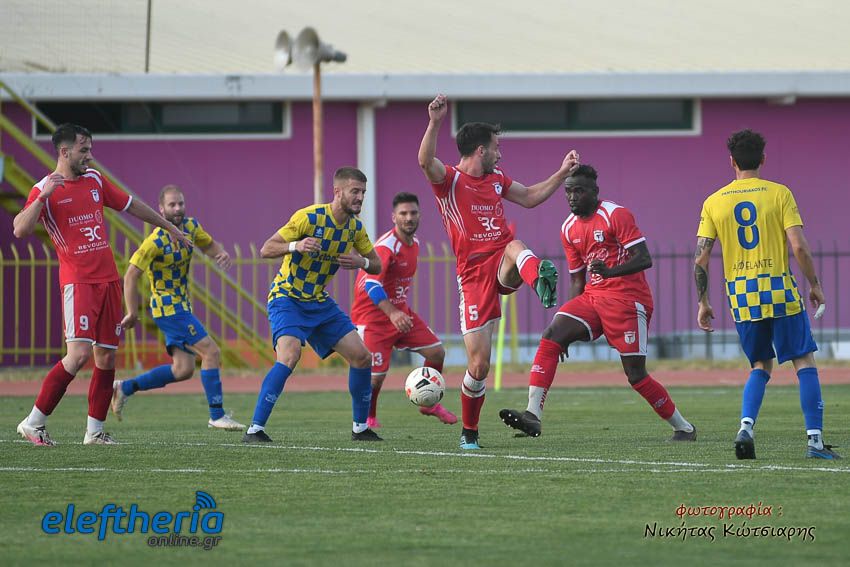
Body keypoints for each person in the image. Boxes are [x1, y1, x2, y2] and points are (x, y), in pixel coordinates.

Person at [418, 93, 579, 450]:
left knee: (514, 244)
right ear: (480, 150)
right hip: (473, 276)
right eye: (496, 148)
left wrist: (561, 173)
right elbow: (425, 161)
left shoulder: (497, 179)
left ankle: (539, 280)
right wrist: (435, 122)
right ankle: (469, 432)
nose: (500, 154)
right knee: (479, 366)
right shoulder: (450, 180)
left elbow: (530, 196)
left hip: (503, 259)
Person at [13, 123, 189, 446]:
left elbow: (131, 204)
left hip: (109, 282)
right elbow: (20, 229)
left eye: (90, 150)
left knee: (106, 358)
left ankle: (94, 432)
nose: (90, 157)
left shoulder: (94, 180)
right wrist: (43, 199)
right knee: (78, 355)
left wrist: (169, 227)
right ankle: (33, 422)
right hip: (78, 284)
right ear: (64, 152)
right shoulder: (43, 189)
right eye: (84, 150)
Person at [500, 165, 697, 442]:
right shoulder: (568, 228)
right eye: (568, 192)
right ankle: (532, 414)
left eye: (579, 191)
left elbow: (644, 258)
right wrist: (567, 323)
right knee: (552, 335)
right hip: (592, 298)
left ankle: (684, 428)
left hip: (628, 301)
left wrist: (610, 272)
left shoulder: (616, 215)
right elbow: (577, 279)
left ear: (595, 192)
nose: (572, 197)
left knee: (636, 375)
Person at [694, 129, 839, 460]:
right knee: (803, 360)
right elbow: (799, 246)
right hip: (778, 288)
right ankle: (815, 441)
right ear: (763, 159)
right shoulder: (779, 193)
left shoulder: (714, 201)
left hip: (741, 294)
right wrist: (814, 284)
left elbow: (700, 258)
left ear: (732, 162)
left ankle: (746, 427)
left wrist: (703, 302)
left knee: (760, 364)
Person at [242, 167, 384, 443]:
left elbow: (376, 265)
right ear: (337, 192)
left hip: (318, 301)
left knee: (362, 357)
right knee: (289, 355)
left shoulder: (355, 229)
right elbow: (266, 249)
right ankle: (255, 430)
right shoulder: (308, 217)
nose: (360, 197)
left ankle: (360, 428)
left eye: (363, 192)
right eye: (355, 191)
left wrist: (362, 262)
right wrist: (295, 246)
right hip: (287, 297)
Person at [112, 185, 245, 431]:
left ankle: (125, 387)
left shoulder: (191, 227)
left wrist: (221, 253)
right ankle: (217, 415)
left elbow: (208, 245)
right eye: (172, 205)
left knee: (183, 369)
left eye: (180, 204)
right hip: (168, 309)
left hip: (181, 306)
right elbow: (130, 275)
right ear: (161, 209)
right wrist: (131, 311)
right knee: (211, 352)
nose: (177, 209)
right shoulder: (155, 241)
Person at [350, 192, 457, 429]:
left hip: (401, 314)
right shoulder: (386, 247)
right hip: (373, 319)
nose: (409, 218)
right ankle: (369, 417)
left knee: (436, 353)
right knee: (375, 378)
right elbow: (371, 285)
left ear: (419, 215)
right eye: (403, 213)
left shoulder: (415, 243)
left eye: (413, 213)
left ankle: (428, 404)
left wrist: (398, 312)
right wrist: (392, 313)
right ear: (394, 217)